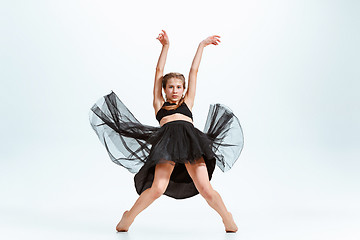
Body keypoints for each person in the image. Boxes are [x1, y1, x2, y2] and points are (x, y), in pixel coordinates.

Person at [89, 30, 244, 233]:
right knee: (157, 189)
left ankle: (227, 218)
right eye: (170, 87)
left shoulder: (188, 102)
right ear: (164, 90)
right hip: (167, 145)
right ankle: (128, 217)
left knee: (205, 189)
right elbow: (159, 70)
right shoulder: (159, 104)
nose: (175, 90)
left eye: (179, 87)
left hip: (191, 143)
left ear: (183, 89)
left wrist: (202, 45)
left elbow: (194, 71)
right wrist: (165, 47)